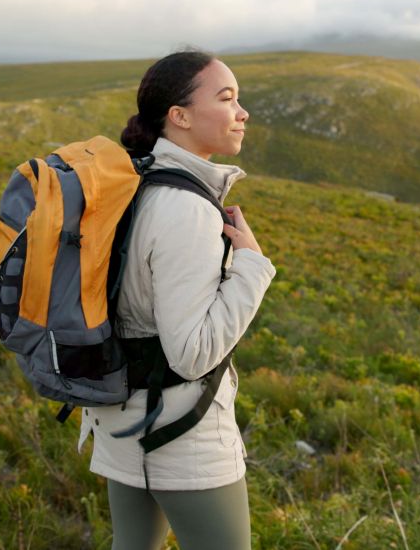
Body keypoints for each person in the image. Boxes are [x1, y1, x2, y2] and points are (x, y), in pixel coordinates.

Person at [76, 50, 276, 550]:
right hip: (182, 436)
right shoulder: (185, 208)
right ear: (179, 116)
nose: (242, 112)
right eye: (226, 98)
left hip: (123, 418)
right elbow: (191, 353)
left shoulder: (135, 184)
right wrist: (252, 266)